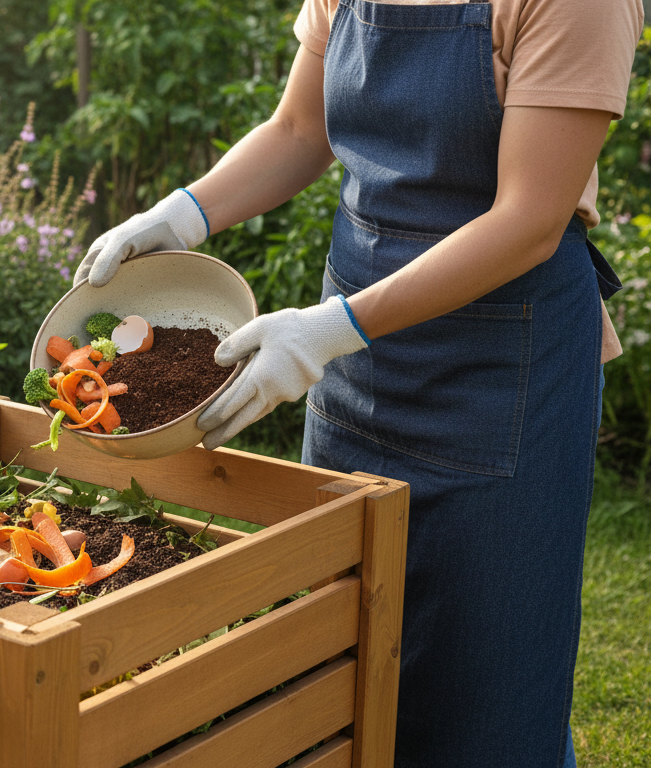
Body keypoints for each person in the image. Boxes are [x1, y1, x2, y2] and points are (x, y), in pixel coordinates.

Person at [74, 0, 644, 765]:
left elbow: (530, 218)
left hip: (499, 369)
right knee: (339, 663)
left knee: (489, 692)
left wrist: (329, 330)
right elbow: (299, 131)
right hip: (354, 357)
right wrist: (181, 215)